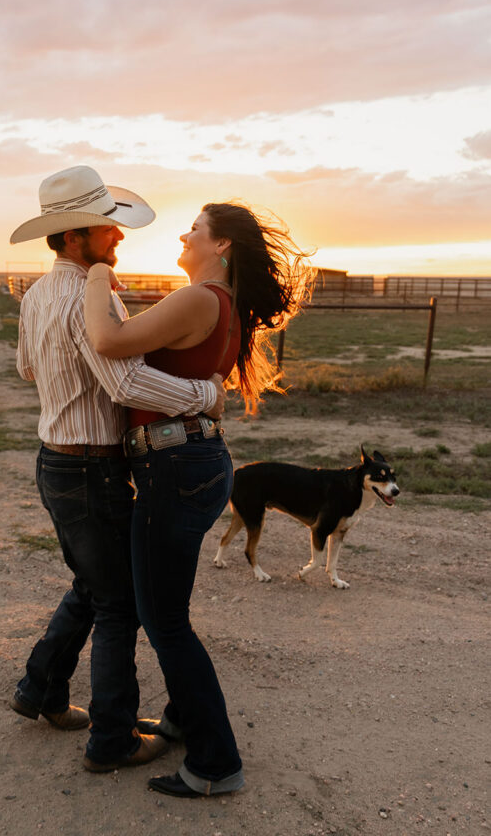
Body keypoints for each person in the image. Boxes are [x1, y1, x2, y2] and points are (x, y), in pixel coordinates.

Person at [84, 201, 313, 797]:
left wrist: (92, 277)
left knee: (166, 624)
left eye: (196, 229)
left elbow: (107, 340)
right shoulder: (223, 304)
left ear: (223, 247)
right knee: (165, 611)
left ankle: (216, 765)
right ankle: (186, 720)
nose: (184, 235)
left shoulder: (199, 298)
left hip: (174, 467)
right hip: (192, 462)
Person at [7, 166, 226, 774]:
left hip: (54, 460)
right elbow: (125, 378)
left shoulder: (35, 294)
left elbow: (27, 368)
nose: (119, 238)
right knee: (118, 605)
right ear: (74, 237)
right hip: (91, 469)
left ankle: (39, 689)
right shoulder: (89, 295)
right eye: (108, 230)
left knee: (94, 583)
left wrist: (69, 386)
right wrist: (204, 394)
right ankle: (113, 740)